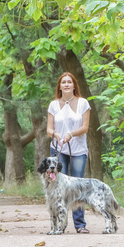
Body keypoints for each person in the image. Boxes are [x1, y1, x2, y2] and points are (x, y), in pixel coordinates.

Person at [46, 72, 91, 234]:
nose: (66, 84)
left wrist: (70, 134)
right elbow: (49, 128)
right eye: (63, 82)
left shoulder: (83, 103)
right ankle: (60, 225)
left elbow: (85, 127)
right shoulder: (53, 105)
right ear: (59, 86)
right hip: (58, 150)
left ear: (74, 85)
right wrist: (56, 134)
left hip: (78, 150)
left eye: (69, 82)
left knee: (77, 187)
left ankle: (80, 224)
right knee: (59, 188)